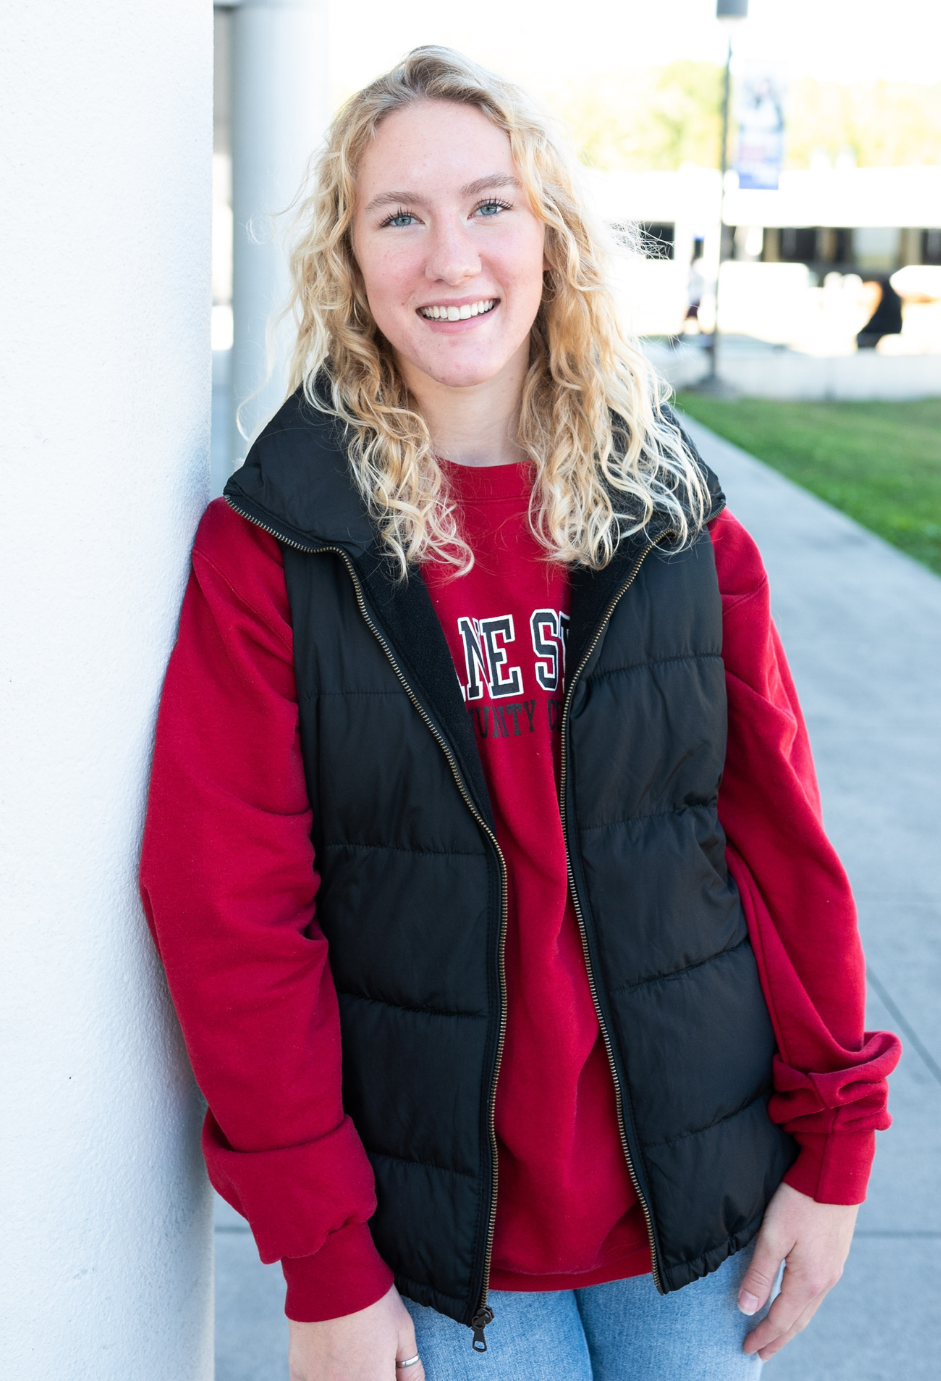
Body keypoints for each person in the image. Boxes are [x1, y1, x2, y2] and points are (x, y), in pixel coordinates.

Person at [140, 47, 900, 1381]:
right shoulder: (277, 548)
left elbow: (780, 845)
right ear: (348, 258)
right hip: (438, 1247)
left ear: (547, 232)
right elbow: (230, 914)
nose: (453, 256)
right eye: (400, 216)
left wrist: (838, 1145)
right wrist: (326, 1263)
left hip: (690, 1213)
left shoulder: (674, 523)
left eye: (491, 203)